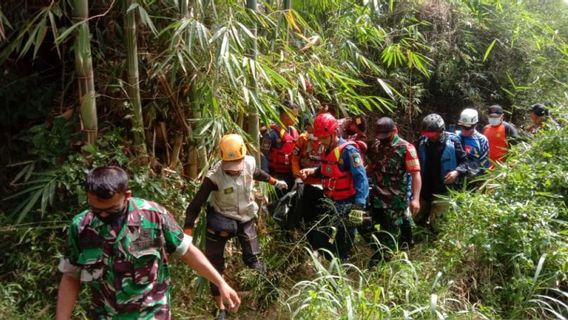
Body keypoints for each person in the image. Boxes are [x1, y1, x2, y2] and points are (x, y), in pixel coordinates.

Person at [56, 166, 241, 320]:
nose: (103, 214)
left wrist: (220, 283)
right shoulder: (82, 227)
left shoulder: (153, 217)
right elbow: (71, 275)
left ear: (127, 195)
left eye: (111, 209)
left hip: (151, 314)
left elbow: (187, 251)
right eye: (96, 210)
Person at [183, 134, 288, 319]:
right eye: (230, 168)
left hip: (246, 216)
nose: (234, 171)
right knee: (214, 265)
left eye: (236, 167)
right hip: (221, 218)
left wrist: (274, 182)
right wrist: (187, 234)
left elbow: (258, 174)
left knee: (253, 260)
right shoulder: (214, 177)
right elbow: (194, 206)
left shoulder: (249, 163)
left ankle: (267, 293)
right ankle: (221, 308)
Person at [299, 113, 369, 261]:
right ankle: (328, 265)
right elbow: (327, 170)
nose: (322, 141)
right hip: (331, 201)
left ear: (335, 133)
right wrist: (312, 171)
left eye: (324, 137)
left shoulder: (349, 151)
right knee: (321, 237)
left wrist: (359, 206)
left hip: (349, 203)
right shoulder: (327, 150)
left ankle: (341, 272)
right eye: (320, 138)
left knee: (343, 241)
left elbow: (361, 178)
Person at [365, 117, 421, 264]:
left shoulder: (406, 148)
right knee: (366, 224)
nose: (383, 140)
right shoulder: (376, 146)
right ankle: (405, 238)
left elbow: (415, 174)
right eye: (380, 136)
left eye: (386, 136)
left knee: (389, 232)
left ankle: (383, 262)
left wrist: (415, 199)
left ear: (394, 131)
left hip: (395, 200)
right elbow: (370, 168)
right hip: (376, 197)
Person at [416, 114, 468, 231]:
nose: (430, 137)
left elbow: (465, 163)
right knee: (416, 220)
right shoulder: (421, 141)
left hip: (443, 189)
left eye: (433, 134)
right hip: (425, 188)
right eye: (427, 134)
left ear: (441, 130)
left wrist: (456, 172)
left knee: (437, 227)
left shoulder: (453, 141)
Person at [289, 116, 325, 236]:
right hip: (305, 181)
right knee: (303, 210)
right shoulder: (302, 139)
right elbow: (294, 158)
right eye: (307, 125)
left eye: (310, 125)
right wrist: (297, 174)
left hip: (321, 182)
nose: (308, 127)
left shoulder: (325, 139)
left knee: (320, 212)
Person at [261, 103, 300, 195]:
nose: (296, 119)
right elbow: (264, 155)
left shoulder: (294, 131)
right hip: (276, 176)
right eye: (294, 116)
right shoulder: (271, 134)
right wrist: (266, 179)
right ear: (286, 115)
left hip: (292, 174)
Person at [457, 108, 490, 177]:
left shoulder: (481, 140)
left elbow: (484, 163)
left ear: (475, 125)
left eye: (467, 128)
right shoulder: (455, 137)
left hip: (474, 179)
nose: (464, 130)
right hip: (457, 179)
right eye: (462, 126)